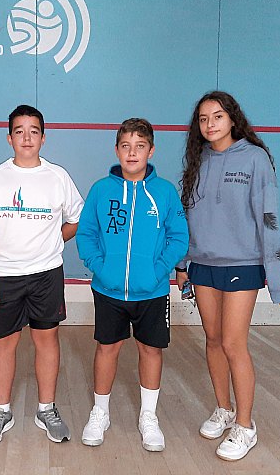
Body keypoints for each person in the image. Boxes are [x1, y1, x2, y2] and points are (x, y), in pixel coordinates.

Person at [176, 91, 280, 461]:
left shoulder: (255, 158)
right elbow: (186, 218)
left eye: (217, 116)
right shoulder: (197, 160)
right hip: (202, 264)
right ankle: (224, 409)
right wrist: (182, 265)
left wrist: (277, 281)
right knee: (212, 340)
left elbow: (269, 220)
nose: (210, 124)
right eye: (203, 119)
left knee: (232, 343)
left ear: (232, 119)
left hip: (243, 264)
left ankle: (245, 425)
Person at [0, 104, 84, 446]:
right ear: (9, 138)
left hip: (47, 275)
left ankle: (46, 408)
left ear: (43, 138)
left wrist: (53, 239)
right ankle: (1, 411)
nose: (27, 137)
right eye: (19, 131)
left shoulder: (57, 176)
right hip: (3, 276)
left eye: (33, 131)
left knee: (46, 339)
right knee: (4, 342)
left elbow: (75, 219)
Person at [76, 118, 189, 451]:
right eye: (125, 146)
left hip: (152, 291)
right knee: (107, 348)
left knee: (150, 349)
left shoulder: (165, 192)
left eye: (140, 146)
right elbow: (86, 234)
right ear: (116, 150)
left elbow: (179, 237)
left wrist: (158, 270)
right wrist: (101, 267)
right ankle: (100, 413)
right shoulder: (101, 190)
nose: (132, 152)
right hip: (108, 291)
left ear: (151, 151)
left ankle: (148, 417)